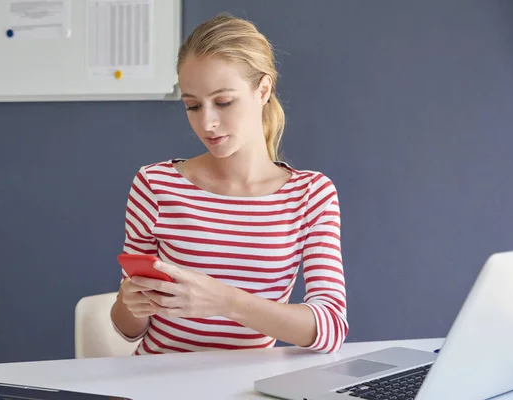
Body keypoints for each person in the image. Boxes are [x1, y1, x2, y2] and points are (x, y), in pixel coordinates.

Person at [110, 13, 348, 356]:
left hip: (247, 385)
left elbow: (330, 327)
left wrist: (224, 300)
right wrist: (129, 302)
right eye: (192, 106)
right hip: (158, 381)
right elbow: (128, 330)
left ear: (262, 90)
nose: (207, 122)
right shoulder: (156, 185)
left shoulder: (310, 195)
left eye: (223, 102)